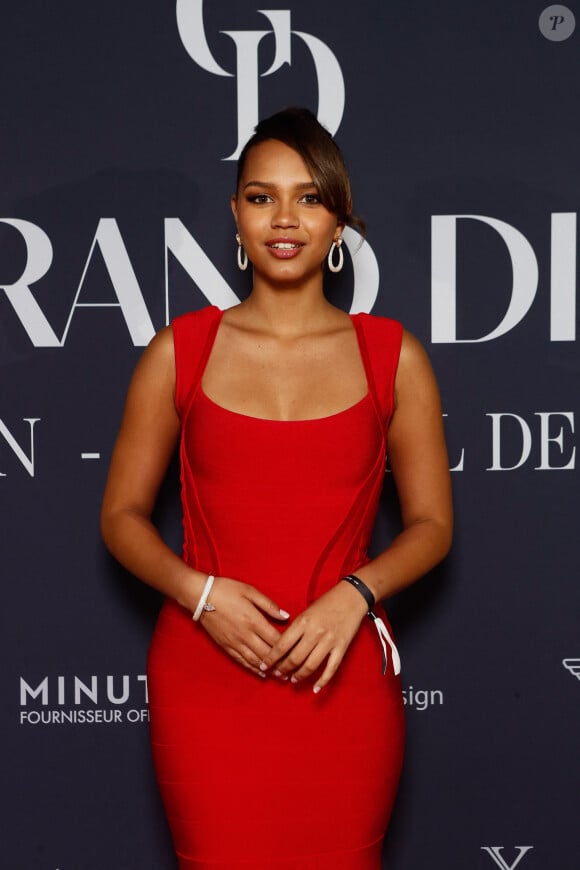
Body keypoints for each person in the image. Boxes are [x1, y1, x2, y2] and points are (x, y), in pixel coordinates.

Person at [100, 107, 453, 869]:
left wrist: (354, 596)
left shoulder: (394, 355)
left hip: (344, 678)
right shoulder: (179, 351)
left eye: (310, 198)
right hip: (205, 680)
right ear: (235, 215)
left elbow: (431, 525)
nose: (285, 218)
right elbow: (122, 517)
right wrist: (200, 596)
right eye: (262, 197)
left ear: (339, 222)